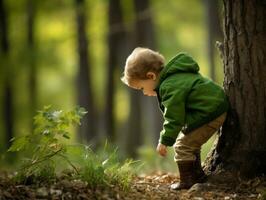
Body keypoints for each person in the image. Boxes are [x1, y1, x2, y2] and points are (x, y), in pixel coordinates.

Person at [121, 47, 229, 190]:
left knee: (182, 146)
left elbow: (174, 117)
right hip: (213, 108)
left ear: (151, 76)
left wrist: (164, 140)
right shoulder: (176, 77)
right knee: (190, 143)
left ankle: (187, 181)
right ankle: (197, 176)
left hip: (209, 112)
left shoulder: (169, 86)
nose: (144, 93)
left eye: (141, 88)